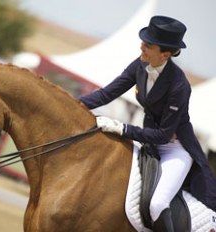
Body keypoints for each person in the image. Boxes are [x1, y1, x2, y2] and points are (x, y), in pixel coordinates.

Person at [79, 15, 216, 232]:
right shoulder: (140, 65)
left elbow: (163, 135)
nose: (142, 46)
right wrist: (71, 104)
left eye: (148, 45)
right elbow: (106, 94)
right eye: (143, 41)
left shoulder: (179, 86)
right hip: (148, 141)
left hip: (175, 149)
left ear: (165, 54)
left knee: (157, 204)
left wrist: (122, 128)